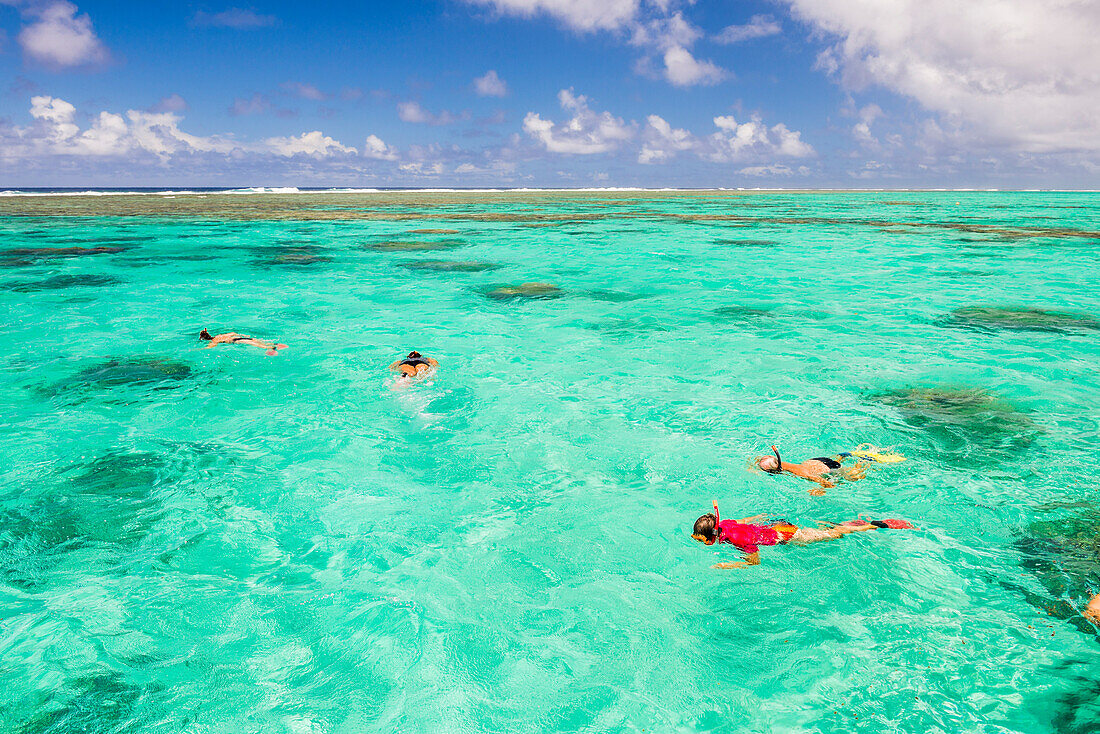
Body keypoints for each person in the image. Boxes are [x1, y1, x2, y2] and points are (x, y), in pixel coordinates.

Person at [692, 501, 914, 568]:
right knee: (826, 532)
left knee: (832, 536)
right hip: (773, 525)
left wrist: (727, 566)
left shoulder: (736, 539)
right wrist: (764, 517)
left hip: (785, 534)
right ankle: (847, 525)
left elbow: (755, 562)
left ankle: (874, 525)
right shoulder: (725, 525)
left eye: (699, 538)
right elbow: (745, 521)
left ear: (709, 537)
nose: (700, 542)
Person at [754, 445, 869, 495]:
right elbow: (756, 460)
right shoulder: (776, 461)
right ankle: (841, 456)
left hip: (828, 469)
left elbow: (828, 483)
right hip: (816, 461)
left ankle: (863, 462)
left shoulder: (800, 473)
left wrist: (819, 490)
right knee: (836, 462)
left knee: (853, 477)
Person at [199, 328, 287, 355]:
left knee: (261, 346)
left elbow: (209, 348)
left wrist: (197, 350)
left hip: (237, 341)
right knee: (260, 341)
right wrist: (245, 336)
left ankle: (273, 348)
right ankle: (274, 344)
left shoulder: (214, 341)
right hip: (240, 337)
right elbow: (233, 333)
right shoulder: (219, 335)